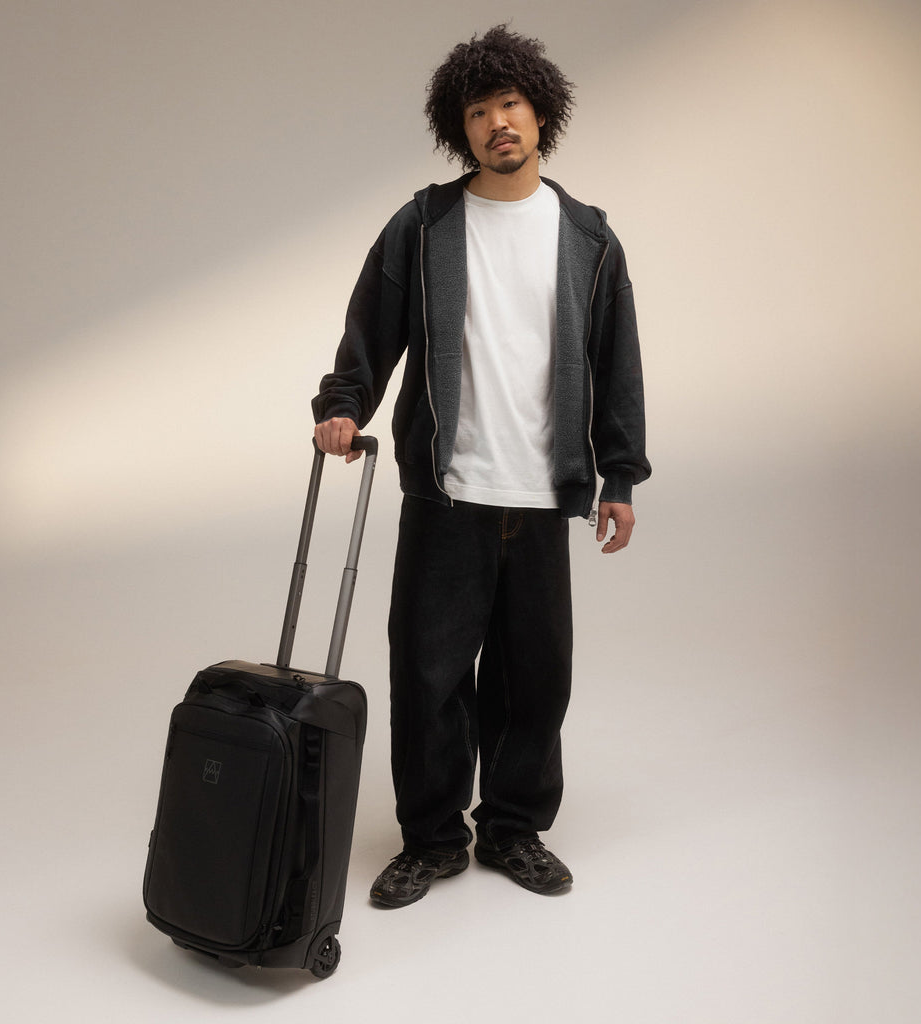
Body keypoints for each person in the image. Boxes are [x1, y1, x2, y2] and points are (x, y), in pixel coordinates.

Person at [312, 25, 650, 907]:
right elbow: (369, 330)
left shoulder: (588, 237)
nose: (497, 122)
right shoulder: (424, 225)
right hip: (448, 492)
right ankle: (431, 840)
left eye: (510, 104)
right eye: (477, 112)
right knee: (428, 677)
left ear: (541, 114)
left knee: (534, 678)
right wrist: (344, 404)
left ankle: (512, 829)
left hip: (542, 496)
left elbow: (616, 363)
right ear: (458, 130)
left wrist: (619, 476)